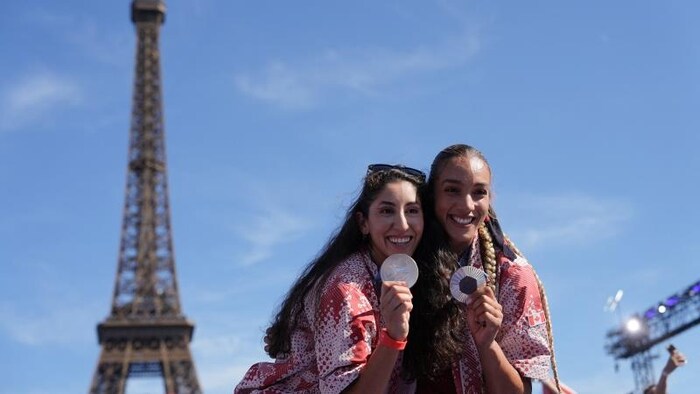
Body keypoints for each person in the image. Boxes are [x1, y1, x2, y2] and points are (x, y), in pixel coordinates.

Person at [235, 164, 426, 394]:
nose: (403, 224)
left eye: (412, 210)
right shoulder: (344, 288)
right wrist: (394, 336)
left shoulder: (397, 276)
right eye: (387, 211)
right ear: (363, 223)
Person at [403, 144, 560, 393]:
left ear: (490, 200)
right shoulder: (400, 261)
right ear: (432, 196)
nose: (467, 205)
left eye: (479, 192)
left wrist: (487, 345)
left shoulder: (513, 276)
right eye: (452, 190)